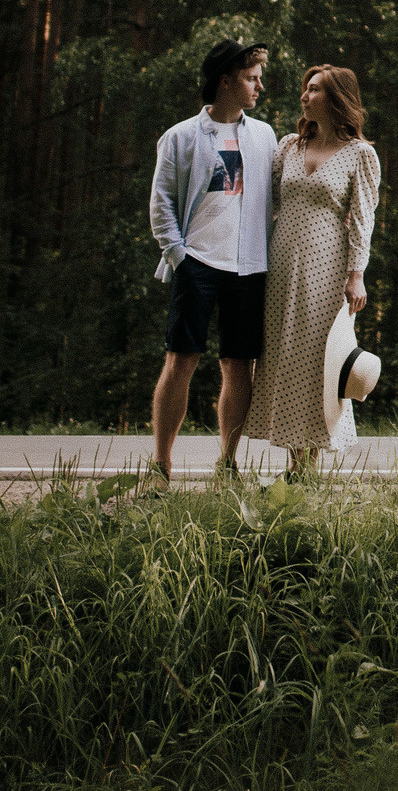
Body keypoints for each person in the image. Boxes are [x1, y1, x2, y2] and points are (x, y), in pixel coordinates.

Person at [145, 38, 279, 484]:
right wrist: (178, 256)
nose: (259, 85)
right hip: (197, 263)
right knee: (180, 361)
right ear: (226, 81)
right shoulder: (181, 136)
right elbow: (161, 202)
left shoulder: (264, 136)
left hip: (249, 268)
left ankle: (228, 463)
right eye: (251, 77)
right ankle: (161, 465)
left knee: (239, 365)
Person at [244, 63, 379, 479]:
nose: (305, 95)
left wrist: (356, 274)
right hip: (281, 266)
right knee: (285, 355)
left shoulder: (361, 154)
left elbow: (362, 219)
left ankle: (305, 467)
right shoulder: (288, 147)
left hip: (327, 270)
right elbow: (260, 202)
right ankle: (295, 466)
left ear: (337, 98)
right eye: (305, 88)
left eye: (315, 89)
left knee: (318, 361)